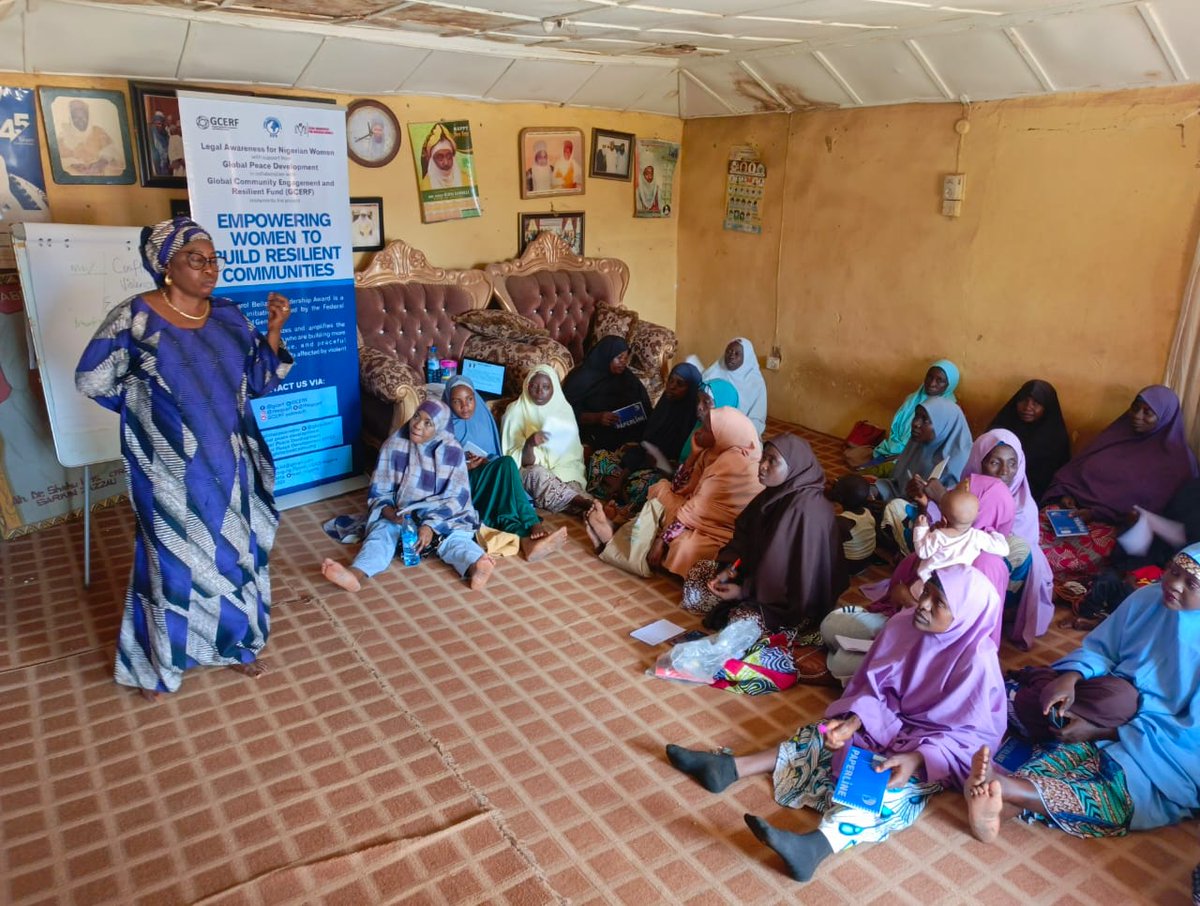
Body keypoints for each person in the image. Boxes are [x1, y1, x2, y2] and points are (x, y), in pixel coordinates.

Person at [667, 565, 1005, 883]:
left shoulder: (977, 661)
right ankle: (730, 768)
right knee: (824, 733)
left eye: (939, 603)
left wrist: (915, 758)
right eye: (927, 591)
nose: (924, 604)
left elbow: (970, 736)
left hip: (926, 746)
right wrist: (856, 722)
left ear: (965, 616)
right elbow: (875, 686)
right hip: (883, 721)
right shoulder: (904, 625)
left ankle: (817, 845)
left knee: (892, 791)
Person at [75, 216, 293, 699]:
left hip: (229, 463)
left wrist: (274, 330)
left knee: (232, 555)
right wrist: (147, 412)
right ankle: (157, 664)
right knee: (171, 561)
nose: (209, 268)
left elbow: (259, 380)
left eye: (213, 259)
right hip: (168, 469)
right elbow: (92, 379)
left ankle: (233, 645)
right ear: (166, 266)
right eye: (196, 259)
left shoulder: (231, 316)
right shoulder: (134, 319)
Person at [965, 543, 1200, 843]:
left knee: (1121, 790)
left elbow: (1192, 735)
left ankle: (1007, 792)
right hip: (1110, 703)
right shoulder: (1147, 599)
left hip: (1162, 746)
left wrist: (1107, 732)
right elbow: (1103, 649)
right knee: (1069, 744)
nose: (1174, 585)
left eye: (1190, 583)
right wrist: (1073, 677)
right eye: (1173, 572)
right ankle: (1004, 797)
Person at [823, 473, 1013, 683]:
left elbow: (962, 633)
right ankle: (870, 662)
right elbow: (921, 558)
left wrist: (910, 602)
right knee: (831, 625)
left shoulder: (987, 566)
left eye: (963, 492)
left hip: (936, 653)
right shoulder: (965, 537)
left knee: (842, 659)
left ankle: (880, 671)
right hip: (908, 624)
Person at [322, 400, 495, 593]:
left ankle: (476, 567)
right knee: (380, 536)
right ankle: (355, 574)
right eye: (416, 417)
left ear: (439, 427)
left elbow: (457, 498)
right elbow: (379, 490)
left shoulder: (452, 451)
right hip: (402, 513)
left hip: (443, 517)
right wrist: (390, 514)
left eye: (428, 423)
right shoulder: (394, 444)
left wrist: (430, 526)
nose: (417, 425)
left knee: (455, 541)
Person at [681, 435, 846, 633]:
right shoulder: (774, 493)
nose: (762, 466)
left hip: (795, 600)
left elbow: (792, 575)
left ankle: (748, 608)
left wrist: (744, 591)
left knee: (741, 622)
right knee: (697, 576)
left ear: (794, 466)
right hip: (759, 580)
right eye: (763, 458)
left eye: (772, 461)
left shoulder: (804, 510)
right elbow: (746, 537)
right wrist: (731, 568)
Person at [1041, 385, 1198, 579]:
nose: (1137, 416)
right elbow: (1075, 471)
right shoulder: (1115, 436)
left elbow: (1160, 516)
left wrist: (1097, 513)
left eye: (1148, 413)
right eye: (1135, 408)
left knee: (1046, 559)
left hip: (1117, 529)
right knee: (1023, 536)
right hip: (1071, 514)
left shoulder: (1178, 462)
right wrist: (1067, 495)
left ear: (1165, 417)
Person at [585, 407, 761, 579]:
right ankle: (624, 536)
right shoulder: (714, 451)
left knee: (684, 545)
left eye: (706, 429)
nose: (699, 431)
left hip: (718, 528)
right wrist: (693, 455)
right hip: (698, 514)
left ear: (722, 434)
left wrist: (664, 539)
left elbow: (696, 508)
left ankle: (620, 538)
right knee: (662, 488)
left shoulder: (733, 461)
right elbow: (678, 487)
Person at [445, 376, 567, 560]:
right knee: (506, 472)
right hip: (462, 487)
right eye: (457, 401)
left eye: (470, 399)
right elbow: (437, 467)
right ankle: (532, 522)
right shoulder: (442, 422)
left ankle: (528, 541)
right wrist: (464, 465)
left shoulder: (482, 418)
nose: (465, 406)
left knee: (506, 466)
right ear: (448, 401)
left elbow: (493, 453)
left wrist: (484, 461)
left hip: (484, 475)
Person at [961, 428, 1055, 649]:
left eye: (1013, 463)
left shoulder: (1024, 506)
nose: (1005, 471)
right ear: (978, 461)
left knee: (1005, 555)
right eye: (995, 462)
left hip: (998, 577)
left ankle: (992, 611)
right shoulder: (964, 491)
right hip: (962, 570)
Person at [587, 362, 702, 517]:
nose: (672, 387)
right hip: (637, 462)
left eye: (680, 384)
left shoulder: (693, 426)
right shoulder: (663, 406)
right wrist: (624, 474)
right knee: (599, 457)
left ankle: (620, 497)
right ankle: (620, 495)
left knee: (647, 485)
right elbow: (645, 444)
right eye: (671, 381)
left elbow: (681, 471)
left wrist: (662, 465)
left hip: (660, 474)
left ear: (691, 390)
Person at [873, 397, 973, 553]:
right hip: (908, 500)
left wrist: (930, 497)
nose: (915, 423)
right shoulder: (917, 443)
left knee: (893, 508)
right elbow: (898, 481)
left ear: (944, 425)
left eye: (925, 420)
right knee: (863, 492)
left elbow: (959, 516)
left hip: (936, 518)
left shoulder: (961, 459)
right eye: (916, 416)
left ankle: (908, 551)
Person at [501, 365, 592, 514]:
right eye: (534, 386)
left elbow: (571, 456)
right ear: (527, 386)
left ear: (554, 388)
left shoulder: (563, 409)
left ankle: (590, 509)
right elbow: (515, 461)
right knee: (537, 474)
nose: (539, 392)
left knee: (570, 484)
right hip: (531, 473)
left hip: (564, 470)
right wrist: (529, 444)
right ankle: (587, 504)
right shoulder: (515, 411)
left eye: (546, 387)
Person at [845, 360, 960, 468]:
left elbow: (937, 447)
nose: (932, 383)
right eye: (929, 376)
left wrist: (904, 455)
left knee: (870, 476)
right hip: (892, 449)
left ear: (949, 385)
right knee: (863, 469)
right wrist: (894, 451)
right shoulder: (912, 399)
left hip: (919, 460)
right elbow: (896, 432)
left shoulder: (949, 410)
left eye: (940, 380)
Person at [911, 486, 1009, 594]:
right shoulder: (978, 537)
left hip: (928, 584)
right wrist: (993, 533)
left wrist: (921, 528)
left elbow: (922, 552)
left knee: (909, 589)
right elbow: (1004, 549)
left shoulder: (939, 536)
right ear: (975, 517)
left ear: (943, 518)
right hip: (953, 589)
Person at [562, 335, 651, 453]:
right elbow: (564, 412)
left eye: (626, 358)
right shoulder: (581, 379)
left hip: (624, 433)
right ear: (606, 356)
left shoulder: (626, 376)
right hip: (590, 433)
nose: (624, 362)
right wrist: (597, 418)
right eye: (619, 358)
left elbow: (644, 404)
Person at [987, 379, 1070, 501]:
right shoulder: (1002, 428)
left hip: (1037, 497)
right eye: (1023, 400)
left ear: (1047, 406)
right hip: (995, 490)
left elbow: (1059, 476)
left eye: (1036, 403)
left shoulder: (1056, 438)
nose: (1027, 407)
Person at [693, 338, 768, 435]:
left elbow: (757, 418)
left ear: (746, 358)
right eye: (729, 351)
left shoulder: (755, 383)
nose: (731, 356)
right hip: (706, 424)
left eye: (737, 354)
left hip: (740, 431)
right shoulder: (715, 371)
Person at [57, 98, 124, 176]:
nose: (80, 120)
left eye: (83, 117)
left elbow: (112, 150)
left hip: (99, 171)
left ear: (88, 117)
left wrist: (101, 163)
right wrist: (73, 165)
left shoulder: (98, 131)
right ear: (71, 119)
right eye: (76, 117)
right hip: (75, 176)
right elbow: (58, 160)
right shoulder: (63, 135)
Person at [679, 379, 738, 462]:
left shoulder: (731, 446)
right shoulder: (699, 429)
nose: (699, 407)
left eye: (706, 402)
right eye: (698, 401)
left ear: (723, 406)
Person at [828, 474, 876, 568]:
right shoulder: (867, 512)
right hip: (868, 559)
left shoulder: (842, 522)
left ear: (839, 498)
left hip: (851, 564)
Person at [420, 122, 463, 190]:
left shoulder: (465, 179)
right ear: (432, 160)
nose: (445, 162)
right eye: (440, 157)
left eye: (449, 157)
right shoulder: (426, 186)